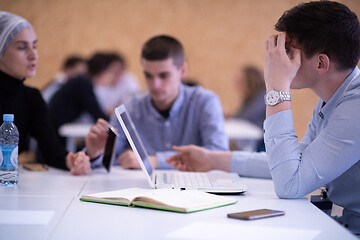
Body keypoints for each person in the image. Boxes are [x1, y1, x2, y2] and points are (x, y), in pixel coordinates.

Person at [168, 1, 360, 235]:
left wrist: (276, 87)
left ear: (321, 63)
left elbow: (290, 184)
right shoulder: (332, 98)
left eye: (287, 53)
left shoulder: (356, 105)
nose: (276, 60)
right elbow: (294, 164)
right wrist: (214, 160)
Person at [85, 35, 228, 169]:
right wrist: (94, 154)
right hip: (141, 191)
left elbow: (218, 154)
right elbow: (110, 158)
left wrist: (154, 160)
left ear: (182, 71)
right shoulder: (129, 108)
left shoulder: (205, 101)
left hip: (195, 191)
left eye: (164, 75)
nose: (155, 85)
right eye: (148, 76)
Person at [0, 11, 91, 175]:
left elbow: (50, 148)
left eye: (34, 46)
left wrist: (70, 160)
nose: (33, 55)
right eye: (22, 47)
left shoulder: (31, 97)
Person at [48, 52, 116, 140]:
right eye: (111, 72)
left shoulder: (83, 82)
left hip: (56, 133)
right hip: (54, 137)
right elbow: (99, 117)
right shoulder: (83, 84)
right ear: (103, 72)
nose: (112, 77)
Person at [230, 65, 266, 151]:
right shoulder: (250, 98)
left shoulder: (262, 96)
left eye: (240, 81)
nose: (237, 84)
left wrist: (231, 116)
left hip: (262, 145)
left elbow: (246, 117)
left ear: (250, 81)